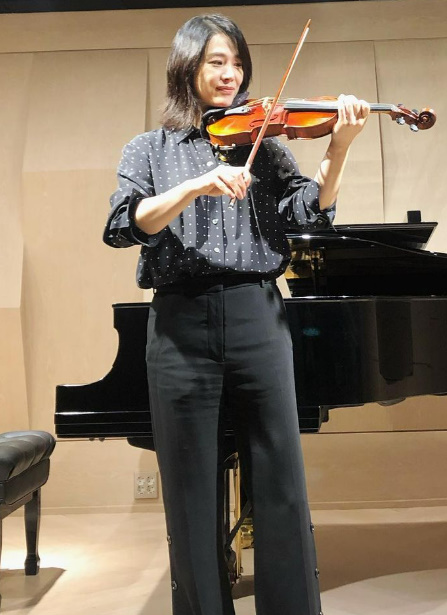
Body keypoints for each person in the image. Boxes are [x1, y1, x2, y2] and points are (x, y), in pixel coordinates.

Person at [104, 13, 368, 615]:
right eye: (217, 61)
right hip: (180, 324)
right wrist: (195, 186)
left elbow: (309, 212)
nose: (231, 74)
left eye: (238, 63)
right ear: (187, 67)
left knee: (280, 479)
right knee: (190, 488)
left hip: (257, 316)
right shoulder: (149, 149)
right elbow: (123, 224)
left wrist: (339, 147)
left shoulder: (265, 145)